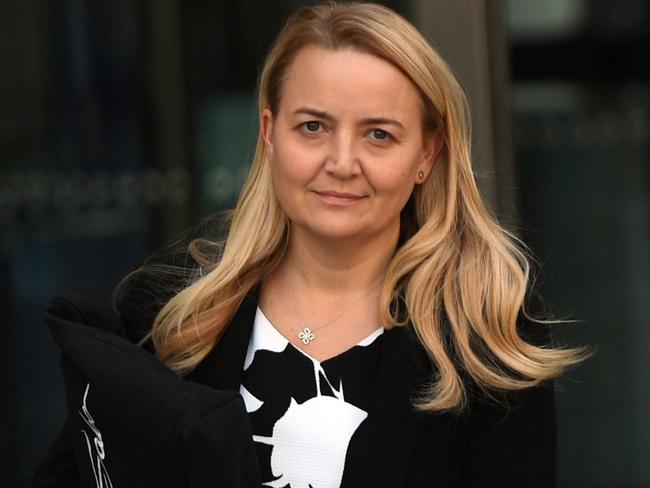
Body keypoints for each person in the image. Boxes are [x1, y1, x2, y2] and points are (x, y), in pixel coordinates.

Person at [33, 2, 589, 487]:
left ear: (426, 155)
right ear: (270, 133)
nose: (341, 164)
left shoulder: (484, 331)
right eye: (313, 127)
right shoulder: (169, 308)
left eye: (379, 134)